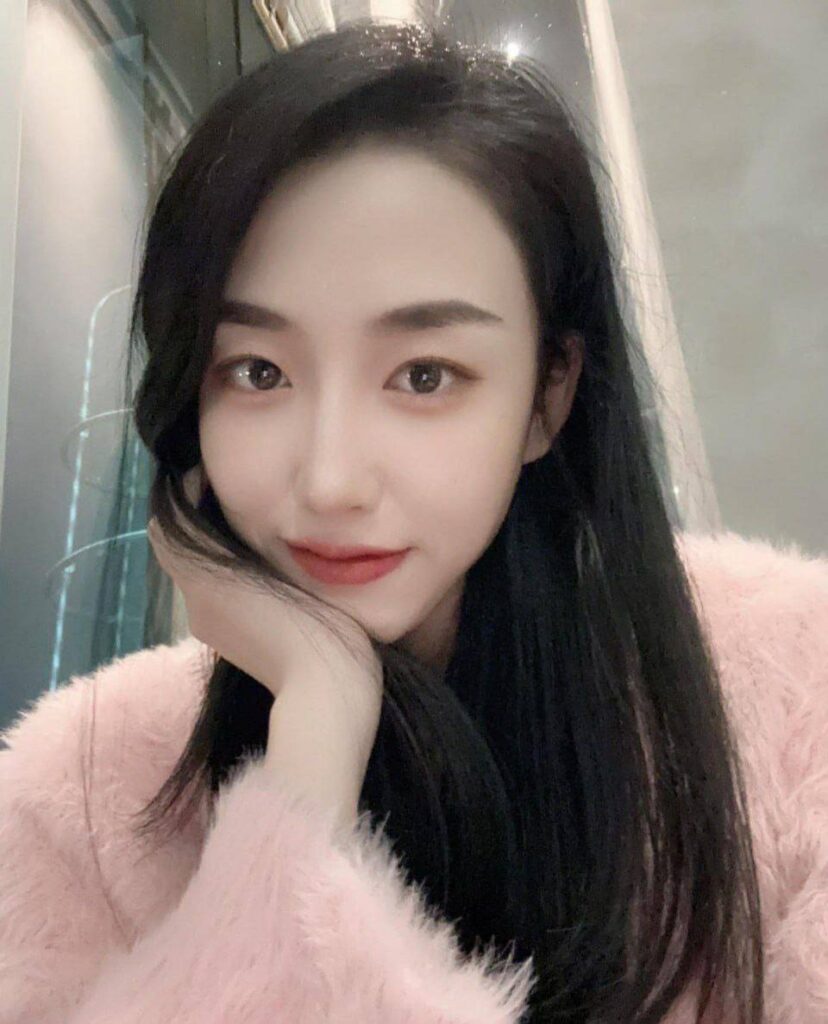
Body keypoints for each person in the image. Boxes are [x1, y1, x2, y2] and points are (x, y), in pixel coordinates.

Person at [1, 18, 826, 1024]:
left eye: (424, 375)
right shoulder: (74, 805)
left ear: (547, 396)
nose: (332, 479)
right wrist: (310, 758)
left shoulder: (797, 711)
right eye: (257, 371)